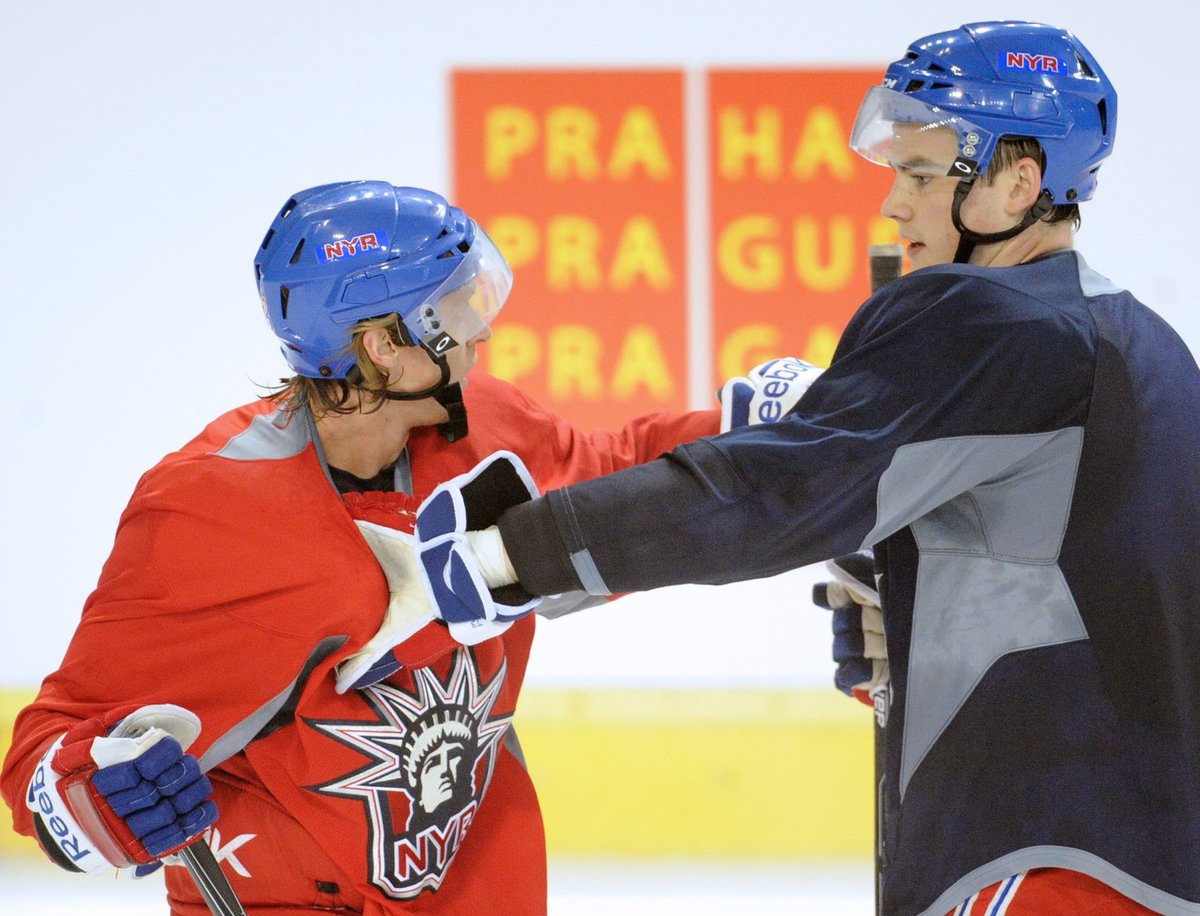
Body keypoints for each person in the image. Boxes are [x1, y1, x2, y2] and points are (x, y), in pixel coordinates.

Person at [411, 21, 1200, 916]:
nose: (893, 206)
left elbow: (767, 494)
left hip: (1037, 847)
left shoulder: (992, 323)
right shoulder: (1136, 338)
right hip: (1141, 849)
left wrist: (510, 557)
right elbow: (1081, 569)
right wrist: (902, 596)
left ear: (1017, 183)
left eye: (919, 175)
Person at [0, 181, 718, 914]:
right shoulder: (208, 510)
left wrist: (771, 434)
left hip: (477, 893)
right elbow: (54, 739)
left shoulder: (486, 430)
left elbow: (612, 477)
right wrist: (88, 797)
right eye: (453, 309)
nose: (482, 331)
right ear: (381, 347)